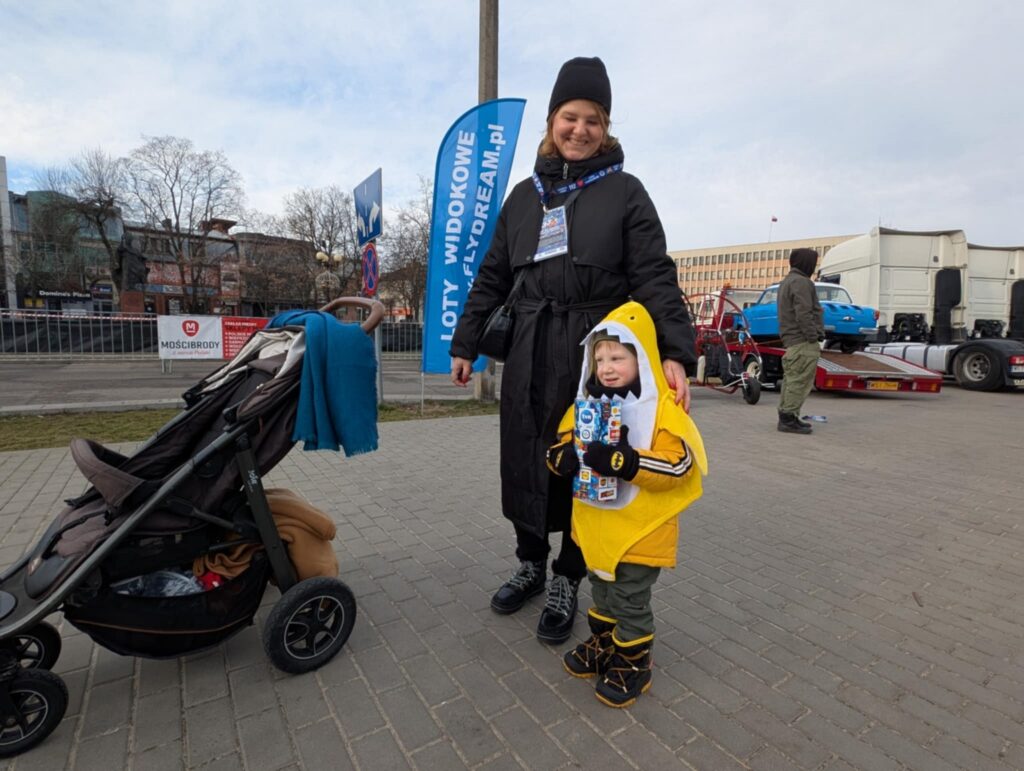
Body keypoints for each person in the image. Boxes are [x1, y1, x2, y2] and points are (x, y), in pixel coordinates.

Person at [449, 56, 696, 645]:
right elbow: (491, 277)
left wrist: (675, 353)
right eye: (570, 117)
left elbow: (655, 276)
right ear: (552, 120)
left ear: (606, 128)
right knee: (524, 458)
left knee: (586, 466)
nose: (580, 130)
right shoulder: (521, 198)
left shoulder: (626, 192)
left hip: (596, 361)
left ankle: (568, 576)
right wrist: (466, 342)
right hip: (530, 349)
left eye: (593, 120)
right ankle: (530, 562)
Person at [546, 301, 706, 707]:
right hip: (596, 527)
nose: (607, 366)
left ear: (642, 357)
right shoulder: (586, 406)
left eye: (618, 356)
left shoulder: (661, 410)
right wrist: (561, 458)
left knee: (630, 597)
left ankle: (634, 661)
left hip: (640, 529)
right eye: (599, 358)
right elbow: (562, 444)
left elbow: (681, 465)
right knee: (601, 588)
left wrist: (626, 461)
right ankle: (604, 645)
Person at [777, 248, 824, 434]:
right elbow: (804, 312)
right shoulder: (802, 282)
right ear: (806, 263)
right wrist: (813, 335)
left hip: (792, 341)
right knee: (799, 381)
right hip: (803, 341)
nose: (814, 267)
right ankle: (788, 419)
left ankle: (788, 416)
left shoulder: (787, 281)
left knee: (791, 380)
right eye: (813, 263)